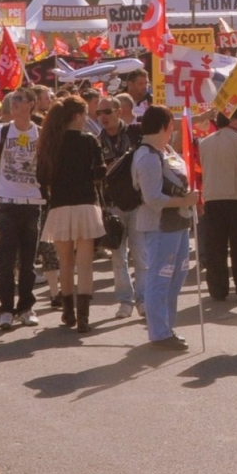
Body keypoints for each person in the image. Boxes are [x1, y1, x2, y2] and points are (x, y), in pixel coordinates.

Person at [132, 105, 200, 350]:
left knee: (177, 275)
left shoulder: (167, 150)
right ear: (163, 126)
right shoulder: (147, 156)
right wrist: (184, 201)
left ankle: (167, 326)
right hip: (159, 226)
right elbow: (152, 199)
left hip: (179, 224)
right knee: (160, 276)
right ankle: (159, 332)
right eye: (171, 124)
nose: (173, 130)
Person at [35, 96, 105, 332]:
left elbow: (41, 178)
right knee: (85, 264)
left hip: (60, 206)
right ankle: (84, 317)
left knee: (65, 263)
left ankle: (68, 313)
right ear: (77, 116)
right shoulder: (89, 141)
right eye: (85, 115)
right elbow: (100, 173)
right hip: (86, 204)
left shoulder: (50, 142)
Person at [0, 87, 43, 330]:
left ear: (31, 103)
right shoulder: (1, 130)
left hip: (32, 202)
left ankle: (26, 307)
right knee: (6, 260)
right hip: (6, 202)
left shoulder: (41, 133)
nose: (13, 103)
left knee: (28, 262)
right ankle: (6, 309)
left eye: (18, 99)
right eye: (11, 100)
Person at [199, 106, 237, 301]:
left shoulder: (205, 142)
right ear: (234, 120)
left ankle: (217, 290)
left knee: (215, 248)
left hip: (211, 198)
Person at [97, 95, 144, 317]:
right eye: (99, 113)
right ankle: (125, 301)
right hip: (113, 206)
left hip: (137, 202)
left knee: (140, 254)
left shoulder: (136, 133)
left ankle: (142, 300)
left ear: (119, 111)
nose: (103, 117)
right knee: (118, 256)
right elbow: (96, 176)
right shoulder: (97, 140)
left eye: (107, 111)